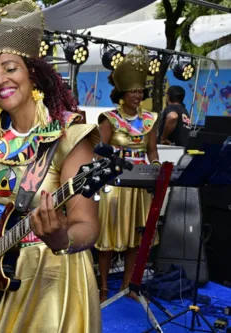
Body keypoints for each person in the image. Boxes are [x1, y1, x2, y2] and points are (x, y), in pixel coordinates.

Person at [0, 1, 102, 332]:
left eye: (10, 68)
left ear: (33, 73)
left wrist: (62, 238)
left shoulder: (68, 137)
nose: (0, 79)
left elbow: (87, 227)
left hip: (53, 277)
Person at [94, 46, 160, 303]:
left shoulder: (150, 120)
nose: (138, 94)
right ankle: (102, 289)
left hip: (140, 185)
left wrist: (155, 166)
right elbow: (99, 151)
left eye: (141, 90)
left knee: (136, 237)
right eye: (134, 90)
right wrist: (109, 162)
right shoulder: (109, 119)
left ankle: (128, 286)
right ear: (123, 92)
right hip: (114, 184)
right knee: (107, 239)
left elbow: (152, 151)